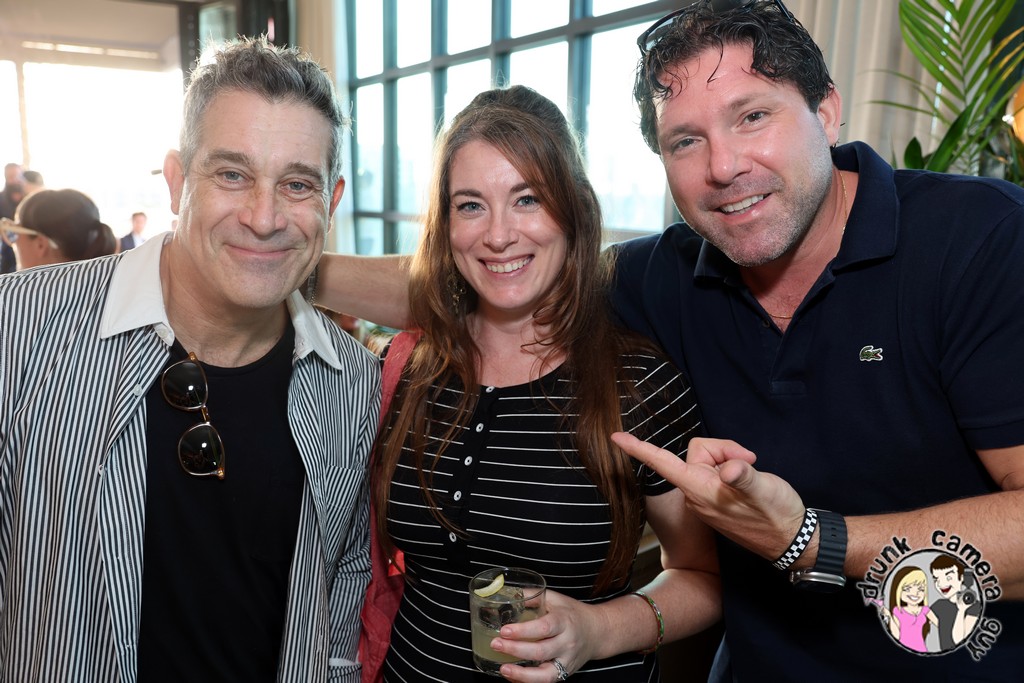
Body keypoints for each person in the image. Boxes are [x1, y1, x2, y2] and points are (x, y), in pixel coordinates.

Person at [313, 1, 1024, 680]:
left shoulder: (977, 242)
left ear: (827, 110)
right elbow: (484, 277)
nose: (724, 166)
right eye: (686, 140)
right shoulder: (668, 276)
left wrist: (810, 539)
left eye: (752, 116)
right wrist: (283, 265)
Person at [0, 36, 379, 682]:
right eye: (232, 174)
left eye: (296, 184)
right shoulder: (22, 329)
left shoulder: (354, 386)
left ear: (331, 201)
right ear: (177, 182)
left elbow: (337, 617)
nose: (264, 217)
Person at [370, 85, 719, 682]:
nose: (498, 235)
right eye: (470, 205)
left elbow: (705, 576)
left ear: (573, 209)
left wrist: (598, 629)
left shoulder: (637, 383)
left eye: (527, 199)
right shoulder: (412, 367)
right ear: (445, 224)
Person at [0, 187, 117, 270]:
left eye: (13, 233)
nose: (10, 241)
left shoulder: (14, 296)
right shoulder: (108, 287)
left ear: (40, 244)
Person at [930, 555, 983, 651]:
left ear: (961, 577)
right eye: (936, 579)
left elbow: (959, 640)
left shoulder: (974, 606)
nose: (941, 584)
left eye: (948, 577)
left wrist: (961, 610)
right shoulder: (939, 605)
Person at [886, 566, 938, 653]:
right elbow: (896, 635)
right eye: (907, 589)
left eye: (921, 589)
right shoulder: (897, 611)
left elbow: (941, 625)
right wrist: (889, 616)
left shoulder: (925, 610)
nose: (915, 593)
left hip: (921, 649)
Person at [0, 161, 24, 274]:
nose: (15, 180)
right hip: (7, 250)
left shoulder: (30, 197)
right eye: (11, 177)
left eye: (18, 176)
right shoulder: (1, 199)